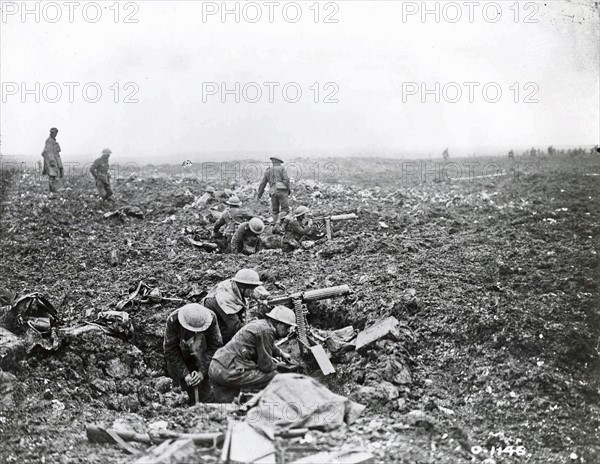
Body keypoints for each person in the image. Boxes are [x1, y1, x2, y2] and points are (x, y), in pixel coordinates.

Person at [208, 305, 295, 402]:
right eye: (286, 326)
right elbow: (265, 366)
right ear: (276, 322)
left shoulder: (261, 325)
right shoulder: (267, 331)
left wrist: (281, 353)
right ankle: (272, 404)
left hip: (216, 366)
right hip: (230, 371)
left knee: (225, 407)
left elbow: (265, 343)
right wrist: (278, 366)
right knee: (274, 376)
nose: (288, 331)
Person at [163, 303, 223, 405]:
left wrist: (202, 372)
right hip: (181, 356)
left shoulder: (211, 318)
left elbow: (215, 346)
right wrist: (184, 374)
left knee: (207, 395)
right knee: (179, 394)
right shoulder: (173, 321)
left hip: (202, 355)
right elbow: (170, 350)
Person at [202, 269, 263, 344]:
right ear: (243, 287)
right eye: (252, 289)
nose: (253, 292)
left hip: (220, 315)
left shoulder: (235, 286)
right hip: (209, 325)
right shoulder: (226, 299)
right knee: (232, 334)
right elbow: (236, 328)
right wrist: (255, 324)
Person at [257, 157, 290, 228]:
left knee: (275, 211)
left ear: (272, 162)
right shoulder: (282, 169)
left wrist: (259, 195)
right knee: (285, 210)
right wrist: (288, 190)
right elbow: (286, 181)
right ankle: (278, 223)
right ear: (279, 162)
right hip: (282, 191)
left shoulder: (268, 171)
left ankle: (275, 227)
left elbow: (263, 184)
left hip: (272, 192)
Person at [41, 127, 63, 193]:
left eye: (55, 133)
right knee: (52, 175)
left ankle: (53, 189)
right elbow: (48, 152)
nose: (55, 134)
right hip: (51, 161)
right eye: (54, 133)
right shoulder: (49, 141)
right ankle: (52, 189)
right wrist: (52, 161)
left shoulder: (52, 141)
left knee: (55, 174)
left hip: (54, 159)